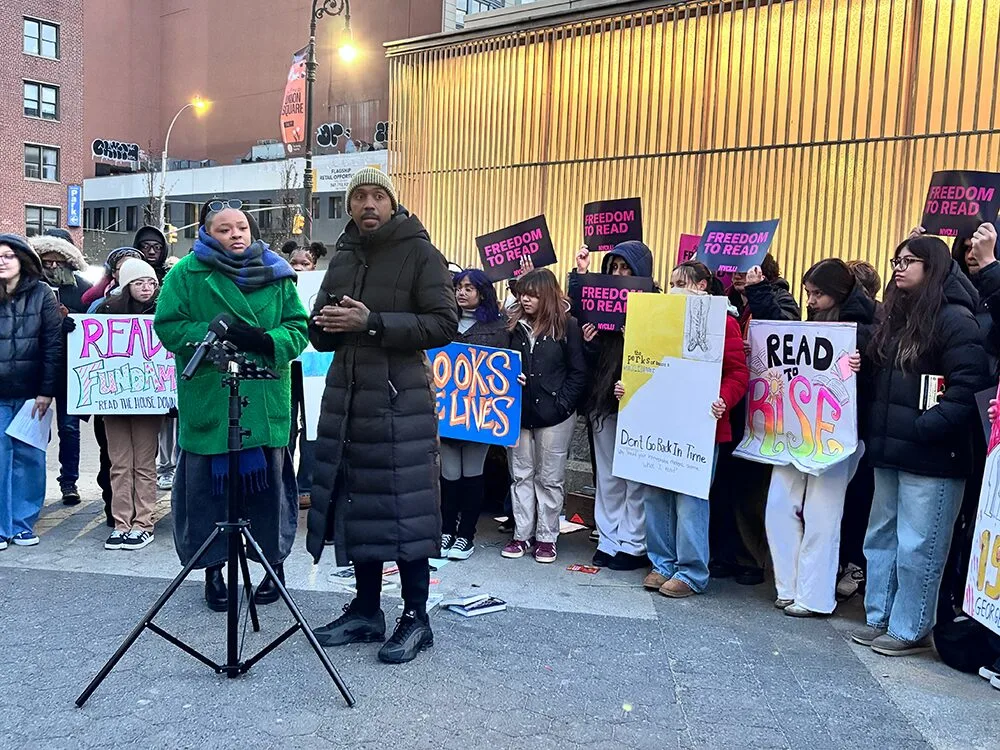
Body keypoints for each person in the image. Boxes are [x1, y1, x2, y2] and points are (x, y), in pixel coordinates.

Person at [307, 169, 457, 664]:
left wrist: (371, 323)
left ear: (392, 203)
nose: (368, 205)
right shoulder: (345, 256)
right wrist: (321, 324)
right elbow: (326, 331)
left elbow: (443, 323)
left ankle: (417, 617)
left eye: (377, 196)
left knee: (405, 508)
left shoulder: (420, 252)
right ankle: (367, 610)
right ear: (349, 207)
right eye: (358, 198)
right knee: (359, 505)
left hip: (400, 403)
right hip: (348, 402)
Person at [155, 200, 308, 612]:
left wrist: (262, 341)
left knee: (268, 493)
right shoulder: (186, 273)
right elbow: (167, 325)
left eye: (241, 227)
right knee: (207, 493)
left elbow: (298, 328)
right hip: (210, 392)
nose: (236, 234)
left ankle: (273, 567)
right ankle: (213, 569)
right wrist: (213, 334)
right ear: (207, 233)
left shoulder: (278, 273)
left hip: (262, 395)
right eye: (225, 229)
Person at [851, 236, 989, 656]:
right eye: (897, 259)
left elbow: (969, 388)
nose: (899, 267)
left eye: (910, 260)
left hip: (933, 456)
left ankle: (910, 628)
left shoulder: (955, 320)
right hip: (892, 451)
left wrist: (925, 427)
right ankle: (881, 618)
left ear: (933, 267)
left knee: (919, 545)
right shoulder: (896, 317)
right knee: (881, 538)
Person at [763, 259, 872, 616]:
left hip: (840, 435)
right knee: (778, 505)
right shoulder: (817, 324)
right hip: (799, 429)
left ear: (838, 293)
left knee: (823, 513)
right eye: (808, 292)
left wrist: (864, 363)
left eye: (818, 293)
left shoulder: (868, 326)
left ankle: (813, 596)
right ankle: (789, 585)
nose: (810, 300)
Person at [638, 261, 748, 598]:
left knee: (690, 500)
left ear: (701, 286)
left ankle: (691, 572)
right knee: (654, 493)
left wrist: (723, 400)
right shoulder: (658, 320)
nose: (673, 288)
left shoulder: (724, 323)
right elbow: (644, 364)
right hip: (661, 422)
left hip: (701, 426)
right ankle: (662, 563)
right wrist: (627, 387)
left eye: (680, 282)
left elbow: (738, 373)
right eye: (670, 282)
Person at [711, 253, 802, 586]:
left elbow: (784, 332)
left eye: (744, 268)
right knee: (723, 482)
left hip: (764, 405)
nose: (736, 275)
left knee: (752, 485)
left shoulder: (778, 296)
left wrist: (758, 291)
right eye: (731, 269)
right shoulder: (724, 302)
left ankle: (750, 556)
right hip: (730, 402)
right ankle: (722, 552)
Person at [573, 241, 658, 571]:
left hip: (639, 398)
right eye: (613, 268)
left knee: (635, 475)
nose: (619, 275)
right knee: (607, 474)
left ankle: (633, 542)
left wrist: (637, 334)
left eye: (626, 268)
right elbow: (588, 356)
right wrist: (591, 343)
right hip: (602, 397)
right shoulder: (598, 304)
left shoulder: (656, 305)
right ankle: (608, 538)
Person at [502, 267, 587, 565]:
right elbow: (502, 363)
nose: (525, 299)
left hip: (555, 414)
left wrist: (562, 404)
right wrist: (511, 378)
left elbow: (578, 372)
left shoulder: (568, 325)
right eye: (522, 293)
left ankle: (547, 537)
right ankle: (521, 534)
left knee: (550, 478)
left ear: (546, 296)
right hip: (519, 411)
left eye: (533, 295)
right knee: (520, 474)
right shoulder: (513, 325)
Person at [439, 269, 509, 561]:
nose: (462, 292)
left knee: (472, 474)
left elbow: (507, 365)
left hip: (480, 415)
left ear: (483, 293)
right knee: (449, 475)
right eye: (459, 287)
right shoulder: (442, 322)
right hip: (447, 412)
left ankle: (465, 535)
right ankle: (446, 531)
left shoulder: (500, 327)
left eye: (469, 287)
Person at [96, 259, 164, 550]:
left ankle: (144, 523)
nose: (147, 288)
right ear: (126, 286)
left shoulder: (163, 311)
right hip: (114, 400)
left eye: (151, 282)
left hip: (147, 400)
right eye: (139, 283)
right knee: (120, 464)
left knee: (145, 465)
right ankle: (122, 522)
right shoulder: (105, 310)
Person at [0, 234, 62, 548]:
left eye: (9, 255)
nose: (2, 261)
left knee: (29, 460)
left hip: (30, 395)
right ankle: (0, 527)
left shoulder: (41, 294)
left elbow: (53, 346)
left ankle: (22, 524)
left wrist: (46, 391)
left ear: (23, 260)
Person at [29, 231, 92, 505]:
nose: (53, 267)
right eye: (47, 261)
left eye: (58, 262)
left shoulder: (83, 288)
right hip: (35, 368)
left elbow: (97, 323)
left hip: (70, 369)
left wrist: (75, 324)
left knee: (69, 428)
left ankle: (69, 482)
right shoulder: (27, 287)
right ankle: (32, 485)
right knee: (33, 430)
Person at [283, 240, 329, 510]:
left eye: (305, 264)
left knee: (312, 425)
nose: (299, 268)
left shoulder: (322, 290)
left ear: (314, 265)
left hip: (314, 368)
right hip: (287, 366)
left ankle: (306, 484)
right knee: (286, 425)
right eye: (295, 263)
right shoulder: (280, 288)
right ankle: (283, 480)